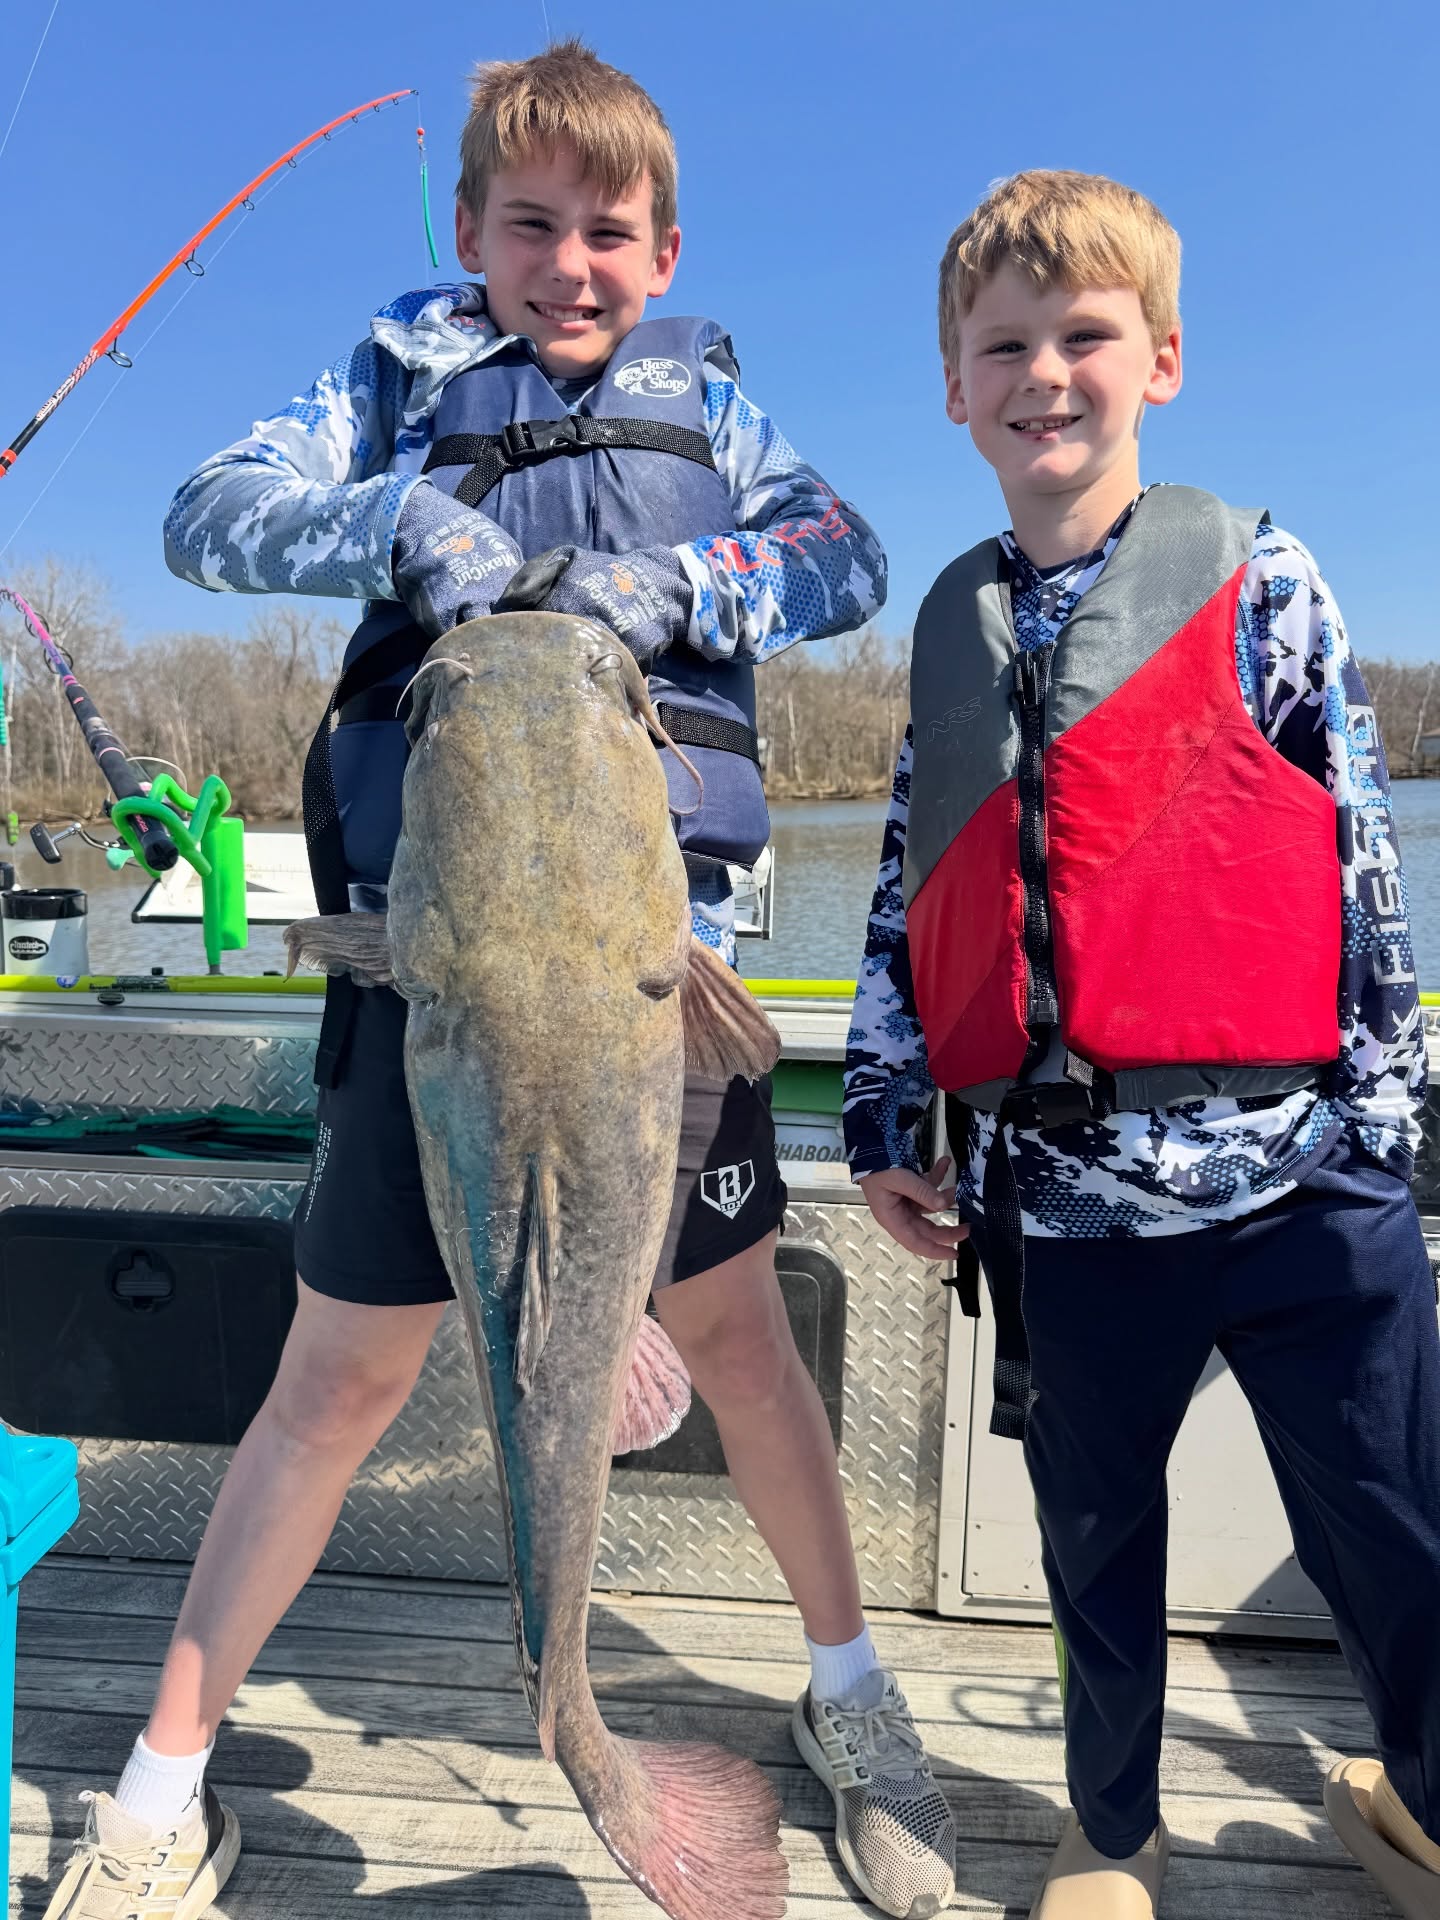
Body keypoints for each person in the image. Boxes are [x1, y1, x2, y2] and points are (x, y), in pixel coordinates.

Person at [39, 40, 955, 1920]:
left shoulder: (721, 406)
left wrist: (694, 591)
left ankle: (854, 1700)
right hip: (433, 983)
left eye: (608, 232)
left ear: (664, 246)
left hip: (657, 978)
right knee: (336, 1381)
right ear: (466, 231)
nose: (571, 263)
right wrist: (386, 520)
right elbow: (206, 512)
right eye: (528, 225)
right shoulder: (394, 376)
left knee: (742, 1354)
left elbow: (847, 554)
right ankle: (162, 1781)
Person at [843, 166, 1440, 1920]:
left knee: (1398, 1536)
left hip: (1306, 1187)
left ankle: (1425, 1798)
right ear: (954, 388)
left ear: (1159, 359)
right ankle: (1113, 1834)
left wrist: (1388, 1130)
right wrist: (889, 1114)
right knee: (1094, 1554)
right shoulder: (944, 636)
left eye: (1085, 335)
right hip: (1071, 1209)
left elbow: (1360, 859)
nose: (1046, 373)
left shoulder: (1264, 579)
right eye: (1003, 344)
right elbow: (910, 894)